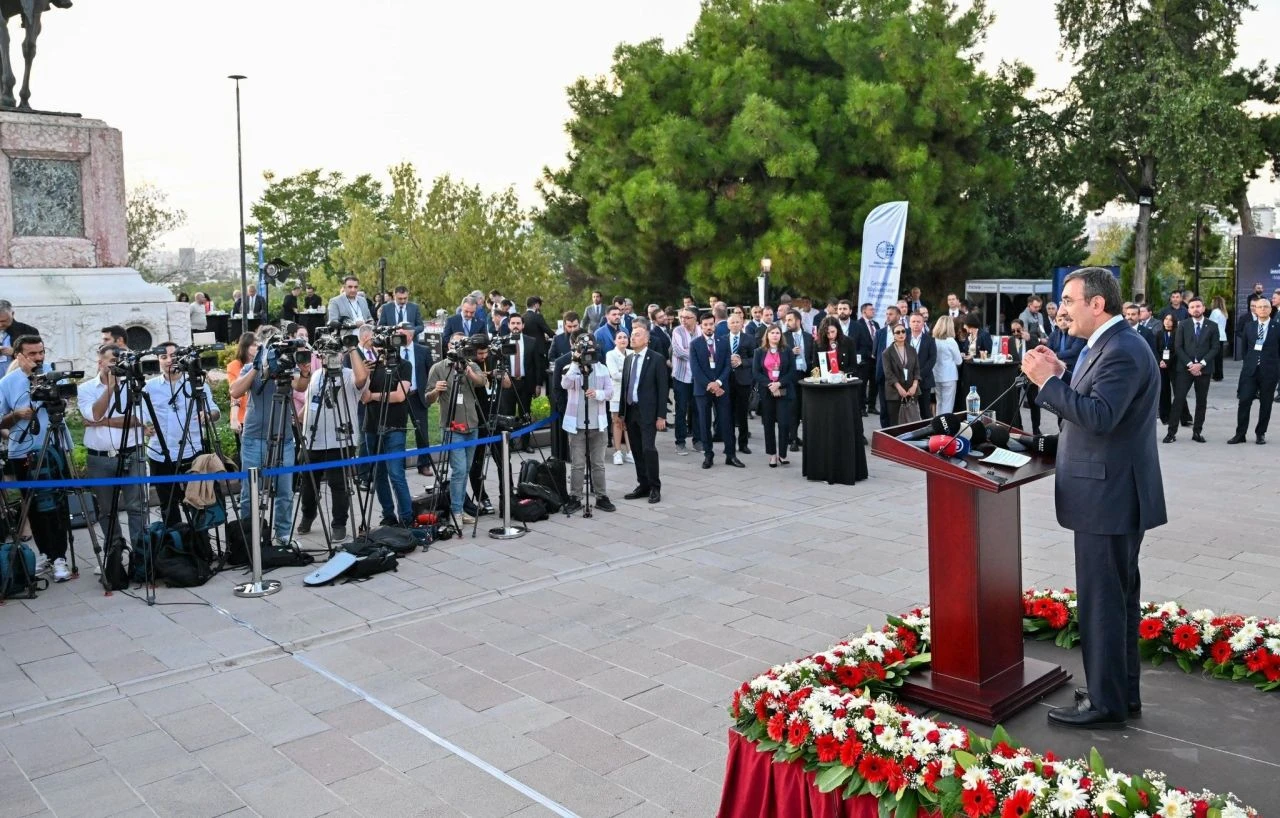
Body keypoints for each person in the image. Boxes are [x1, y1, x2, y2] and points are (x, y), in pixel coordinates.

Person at [1021, 266, 1166, 730]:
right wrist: (1063, 371)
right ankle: (1118, 693)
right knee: (1116, 600)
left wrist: (1047, 383)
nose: (1062, 310)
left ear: (1096, 304)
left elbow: (1100, 416)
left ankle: (1106, 705)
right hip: (1111, 492)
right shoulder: (1103, 345)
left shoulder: (1121, 348)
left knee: (1104, 602)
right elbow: (1097, 397)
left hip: (1109, 496)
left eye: (1068, 299)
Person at [0, 335, 73, 580]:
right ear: (18, 355)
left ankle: (60, 556)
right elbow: (0, 419)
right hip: (22, 451)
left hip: (52, 447)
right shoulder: (7, 382)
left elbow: (64, 404)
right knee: (33, 506)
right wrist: (16, 415)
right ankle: (46, 554)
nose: (39, 358)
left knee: (57, 504)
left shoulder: (52, 373)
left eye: (41, 352)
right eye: (32, 354)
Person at [230, 327, 306, 542]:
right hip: (254, 438)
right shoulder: (248, 367)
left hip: (284, 439)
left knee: (285, 491)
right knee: (249, 493)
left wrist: (305, 369)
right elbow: (235, 391)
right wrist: (257, 367)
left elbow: (300, 385)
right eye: (258, 345)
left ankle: (283, 534)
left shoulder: (286, 366)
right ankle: (249, 536)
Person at [79, 344, 148, 557]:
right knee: (107, 511)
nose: (116, 366)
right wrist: (110, 388)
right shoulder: (86, 388)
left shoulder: (134, 386)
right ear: (100, 363)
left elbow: (140, 419)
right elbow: (92, 415)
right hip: (100, 459)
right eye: (111, 362)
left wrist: (103, 421)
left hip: (131, 453)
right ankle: (114, 553)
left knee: (137, 507)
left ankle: (141, 553)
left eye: (119, 362)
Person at [299, 342, 369, 540]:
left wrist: (352, 346)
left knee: (339, 485)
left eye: (335, 353)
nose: (331, 357)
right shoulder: (315, 375)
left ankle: (339, 522)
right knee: (308, 484)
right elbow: (310, 403)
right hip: (314, 439)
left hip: (341, 440)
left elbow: (362, 378)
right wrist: (299, 419)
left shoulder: (349, 374)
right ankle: (308, 514)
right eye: (327, 353)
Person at [560, 335, 615, 513]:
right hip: (576, 424)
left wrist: (597, 393)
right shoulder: (571, 368)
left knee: (598, 463)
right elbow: (565, 383)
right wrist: (576, 362)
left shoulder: (602, 368)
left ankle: (601, 496)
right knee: (577, 464)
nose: (588, 354)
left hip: (598, 424)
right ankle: (575, 497)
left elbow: (610, 392)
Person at [619, 326, 668, 503]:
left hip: (648, 411)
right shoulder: (628, 359)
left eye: (637, 335)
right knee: (637, 450)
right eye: (632, 335)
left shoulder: (656, 359)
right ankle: (643, 484)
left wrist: (661, 416)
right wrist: (622, 414)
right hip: (631, 411)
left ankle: (655, 486)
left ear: (647, 339)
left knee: (648, 449)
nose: (633, 338)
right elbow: (625, 387)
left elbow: (663, 389)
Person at [690, 312, 742, 469]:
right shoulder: (695, 344)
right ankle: (708, 455)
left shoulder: (723, 342)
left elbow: (727, 365)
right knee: (704, 423)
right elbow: (696, 369)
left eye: (711, 324)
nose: (708, 327)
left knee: (726, 421)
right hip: (702, 389)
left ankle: (730, 455)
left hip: (722, 388)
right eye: (705, 325)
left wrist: (718, 382)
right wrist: (711, 385)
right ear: (700, 326)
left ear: (715, 324)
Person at [1165, 297, 1217, 444]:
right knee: (1178, 400)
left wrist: (1200, 364)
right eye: (1192, 307)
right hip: (1184, 369)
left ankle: (1197, 432)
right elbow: (1178, 347)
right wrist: (1190, 365)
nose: (1195, 309)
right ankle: (1171, 433)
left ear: (1203, 308)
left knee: (1201, 402)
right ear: (1188, 310)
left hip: (1204, 370)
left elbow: (1215, 348)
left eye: (1198, 306)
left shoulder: (1212, 326)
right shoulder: (1183, 325)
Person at [1229, 297, 1278, 445]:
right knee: (1244, 401)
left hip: (1269, 372)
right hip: (1250, 371)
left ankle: (1260, 433)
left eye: (1266, 306)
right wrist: (1251, 362)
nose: (1262, 309)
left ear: (1270, 309)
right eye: (1260, 307)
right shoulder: (1249, 326)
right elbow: (1244, 349)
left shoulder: (1278, 327)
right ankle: (1240, 434)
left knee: (1266, 403)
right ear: (1255, 309)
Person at [752, 324, 799, 467]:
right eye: (772, 332)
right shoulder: (759, 352)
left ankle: (783, 454)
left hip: (784, 391)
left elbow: (792, 371)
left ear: (781, 335)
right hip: (767, 392)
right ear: (767, 335)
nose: (775, 335)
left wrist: (779, 384)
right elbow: (756, 373)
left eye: (778, 333)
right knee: (768, 424)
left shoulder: (787, 351)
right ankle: (772, 454)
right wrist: (770, 385)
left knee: (784, 424)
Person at [724, 313, 756, 454]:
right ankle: (729, 444)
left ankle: (743, 444)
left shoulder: (749, 339)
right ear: (728, 325)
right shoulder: (722, 340)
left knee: (742, 413)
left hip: (743, 380)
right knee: (728, 414)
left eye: (737, 322)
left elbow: (755, 359)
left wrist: (742, 362)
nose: (735, 325)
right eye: (732, 322)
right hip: (726, 381)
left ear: (742, 323)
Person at [783, 310, 815, 449]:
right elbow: (779, 358)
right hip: (791, 377)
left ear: (798, 321)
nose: (787, 323)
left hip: (806, 376)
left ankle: (801, 436)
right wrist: (791, 352)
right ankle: (793, 438)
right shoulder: (783, 337)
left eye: (790, 320)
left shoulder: (808, 337)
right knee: (793, 409)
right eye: (786, 320)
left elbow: (813, 357)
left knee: (804, 408)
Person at [670, 307, 697, 455]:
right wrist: (699, 356)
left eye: (687, 317)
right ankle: (680, 442)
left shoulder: (700, 331)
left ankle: (698, 440)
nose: (684, 320)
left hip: (697, 378)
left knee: (698, 409)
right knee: (681, 410)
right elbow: (679, 351)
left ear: (695, 319)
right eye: (682, 317)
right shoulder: (677, 331)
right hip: (681, 377)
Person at [881, 324, 920, 425]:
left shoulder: (912, 350)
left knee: (911, 420)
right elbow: (888, 373)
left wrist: (914, 386)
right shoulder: (887, 352)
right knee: (895, 421)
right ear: (893, 335)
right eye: (897, 332)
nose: (901, 334)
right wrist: (899, 388)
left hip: (911, 390)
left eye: (903, 331)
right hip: (894, 391)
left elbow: (917, 369)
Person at [225, 332, 256, 454]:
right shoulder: (234, 366)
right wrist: (233, 418)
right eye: (253, 345)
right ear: (245, 346)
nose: (257, 347)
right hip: (243, 417)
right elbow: (235, 394)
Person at [605, 330, 632, 465]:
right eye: (619, 337)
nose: (623, 340)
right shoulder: (610, 354)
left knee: (628, 422)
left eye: (625, 337)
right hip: (616, 393)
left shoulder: (632, 353)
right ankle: (617, 452)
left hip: (630, 393)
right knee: (617, 422)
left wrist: (624, 374)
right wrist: (629, 376)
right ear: (615, 341)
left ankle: (630, 451)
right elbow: (614, 374)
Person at [905, 313, 935, 418]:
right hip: (906, 379)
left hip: (924, 380)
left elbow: (932, 360)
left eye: (918, 321)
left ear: (923, 324)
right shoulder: (904, 339)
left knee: (925, 410)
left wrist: (918, 376)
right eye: (913, 321)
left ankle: (928, 432)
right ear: (909, 324)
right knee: (907, 409)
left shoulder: (930, 340)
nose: (916, 324)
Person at [931, 316, 963, 417]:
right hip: (949, 377)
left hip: (936, 376)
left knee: (939, 404)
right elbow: (959, 361)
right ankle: (945, 427)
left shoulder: (934, 340)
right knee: (947, 406)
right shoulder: (951, 341)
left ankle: (938, 426)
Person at [1046, 313, 1086, 385]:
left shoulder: (1076, 332)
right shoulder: (1053, 334)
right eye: (1060, 320)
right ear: (1056, 322)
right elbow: (1048, 351)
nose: (1063, 322)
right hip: (1057, 365)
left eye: (1065, 319)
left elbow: (1074, 351)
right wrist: (1058, 361)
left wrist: (1056, 354)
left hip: (1073, 366)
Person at [0, 300, 38, 371]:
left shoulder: (28, 331)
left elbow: (38, 358)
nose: (0, 325)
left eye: (3, 321)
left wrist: (14, 352)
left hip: (18, 377)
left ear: (12, 314)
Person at [1154, 314, 1177, 424]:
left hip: (1174, 365)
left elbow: (1178, 350)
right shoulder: (1159, 334)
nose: (1168, 322)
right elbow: (1155, 349)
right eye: (1166, 319)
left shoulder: (1177, 333)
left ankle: (1183, 416)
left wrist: (1168, 362)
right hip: (1161, 365)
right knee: (1164, 390)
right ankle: (1165, 415)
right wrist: (1160, 361)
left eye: (1170, 320)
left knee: (1178, 391)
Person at [1208, 295, 1228, 382]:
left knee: (1215, 357)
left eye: (1212, 301)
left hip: (1216, 336)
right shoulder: (1223, 312)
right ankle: (1219, 374)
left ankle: (1216, 374)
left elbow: (1212, 324)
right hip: (1222, 335)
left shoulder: (1215, 312)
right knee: (1219, 357)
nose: (1211, 303)